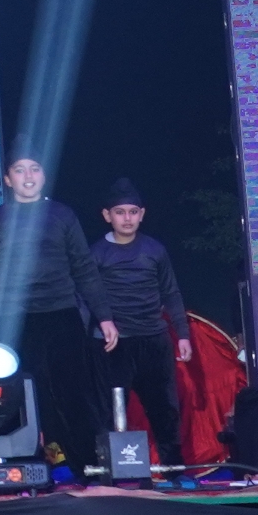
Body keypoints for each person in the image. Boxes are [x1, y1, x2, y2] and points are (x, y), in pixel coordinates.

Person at [0, 152, 117, 475]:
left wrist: (104, 316)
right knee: (16, 396)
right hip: (14, 322)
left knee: (76, 394)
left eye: (34, 169)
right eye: (20, 170)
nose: (28, 176)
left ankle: (88, 467)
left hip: (61, 315)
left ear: (43, 176)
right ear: (8, 179)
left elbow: (84, 268)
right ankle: (23, 469)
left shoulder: (62, 215)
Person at [90, 179, 192, 466]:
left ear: (142, 214)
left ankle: (173, 469)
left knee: (165, 410)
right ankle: (110, 470)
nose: (127, 218)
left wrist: (183, 335)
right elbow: (86, 297)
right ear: (107, 215)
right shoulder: (96, 253)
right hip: (114, 345)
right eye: (120, 212)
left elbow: (171, 293)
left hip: (154, 340)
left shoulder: (154, 250)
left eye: (133, 212)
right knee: (110, 411)